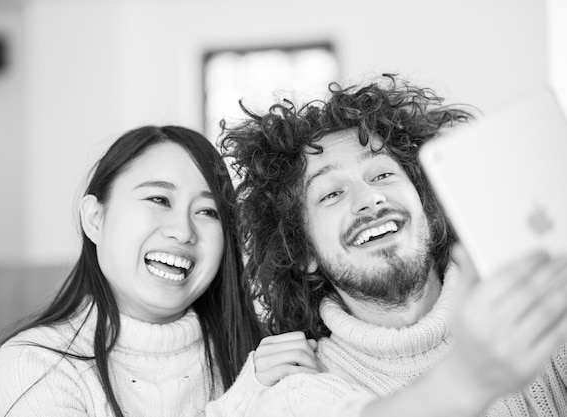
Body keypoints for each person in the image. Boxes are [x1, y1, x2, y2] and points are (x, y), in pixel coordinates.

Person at [220, 75, 567, 416]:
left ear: (429, 210)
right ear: (303, 252)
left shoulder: (540, 303)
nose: (369, 199)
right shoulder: (297, 393)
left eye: (382, 175)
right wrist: (468, 376)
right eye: (332, 193)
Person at [0, 125, 318, 417]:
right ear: (95, 218)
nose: (183, 231)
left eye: (208, 212)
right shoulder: (32, 366)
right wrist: (242, 404)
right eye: (159, 200)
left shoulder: (262, 357)